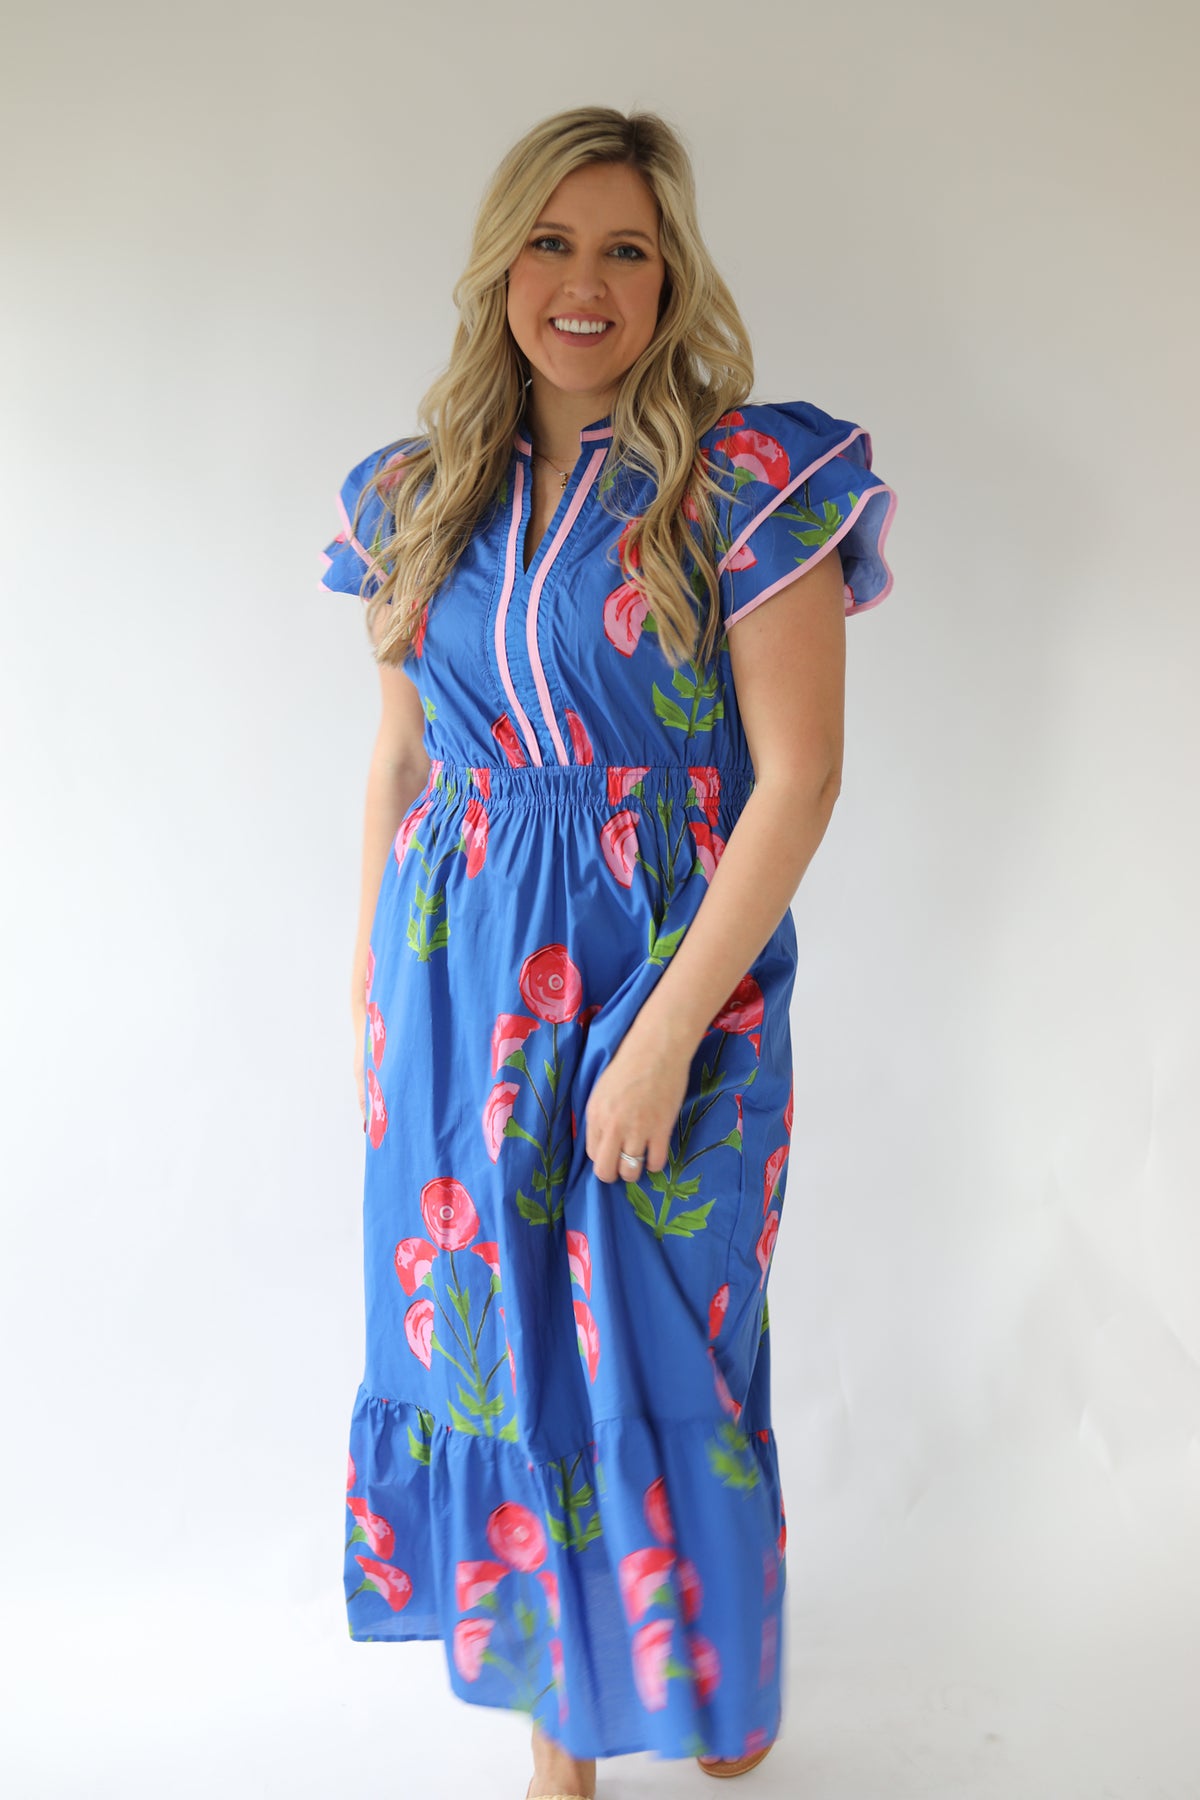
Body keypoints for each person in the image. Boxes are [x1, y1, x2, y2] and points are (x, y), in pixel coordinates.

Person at [319, 105, 897, 1800]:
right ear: (501, 265)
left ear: (670, 275)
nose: (586, 281)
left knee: (660, 1327)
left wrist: (662, 1036)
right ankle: (560, 1746)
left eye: (626, 248)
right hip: (457, 984)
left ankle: (704, 1657)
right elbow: (403, 760)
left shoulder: (745, 480)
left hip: (668, 972)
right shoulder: (415, 496)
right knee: (505, 1341)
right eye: (553, 243)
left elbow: (799, 779)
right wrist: (369, 994)